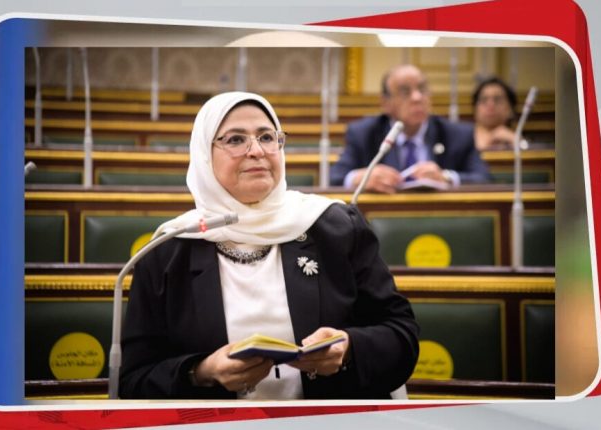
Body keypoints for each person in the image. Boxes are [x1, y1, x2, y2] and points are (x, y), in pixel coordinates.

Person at [119, 91, 420, 400]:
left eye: (266, 137)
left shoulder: (337, 227)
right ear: (204, 156)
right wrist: (202, 372)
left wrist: (348, 348)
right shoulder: (168, 251)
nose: (257, 151)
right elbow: (133, 381)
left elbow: (402, 336)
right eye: (236, 140)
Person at [330, 64, 490, 194]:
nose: (417, 97)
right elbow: (335, 177)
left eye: (422, 89)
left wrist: (446, 177)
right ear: (385, 103)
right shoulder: (363, 133)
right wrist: (360, 178)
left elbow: (484, 178)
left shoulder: (457, 134)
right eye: (405, 92)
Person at [472, 76, 522, 151]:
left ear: (510, 109)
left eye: (497, 100)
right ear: (475, 109)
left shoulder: (517, 141)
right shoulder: (461, 140)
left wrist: (518, 142)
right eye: (484, 100)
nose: (490, 105)